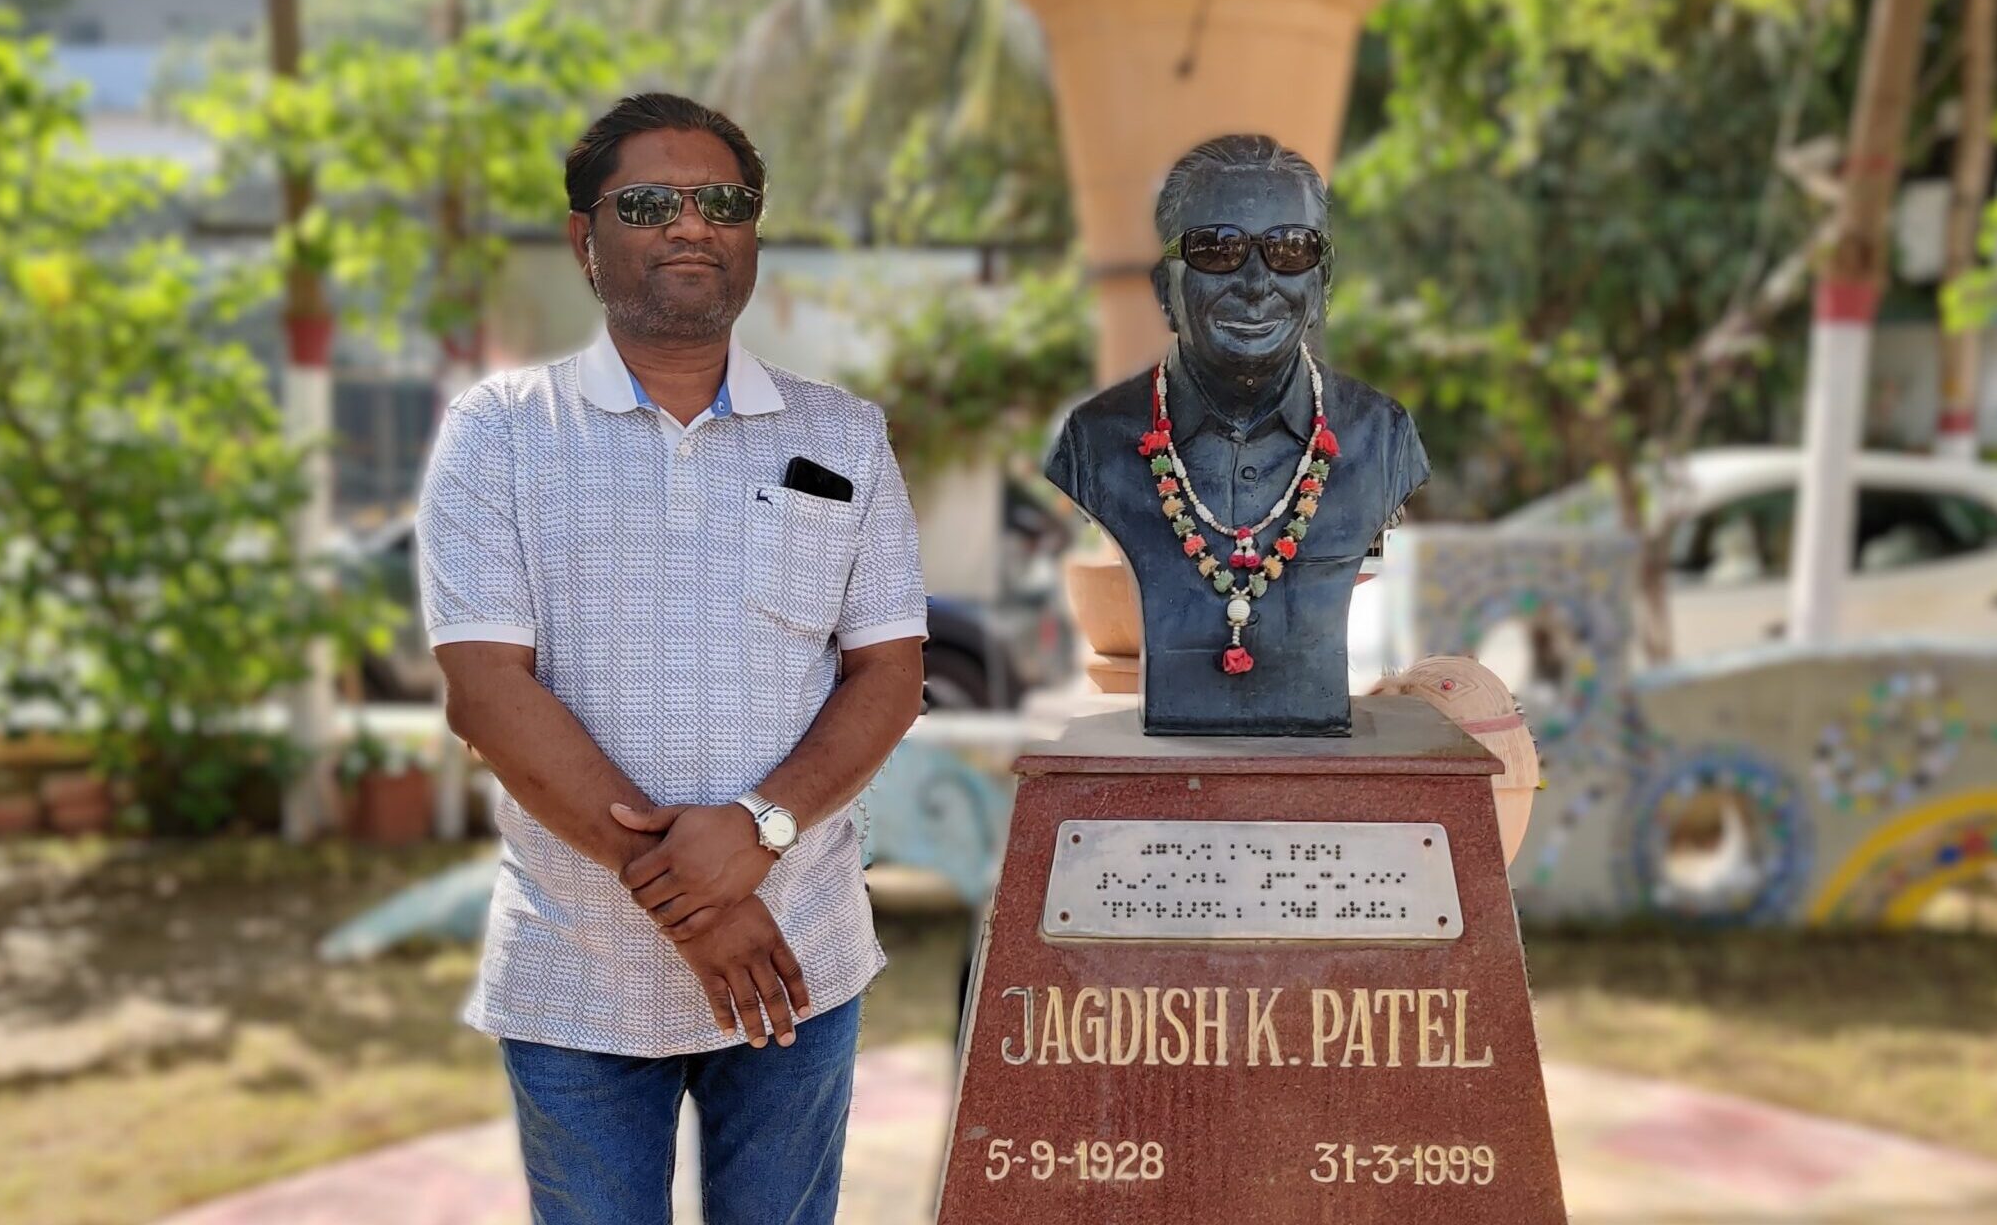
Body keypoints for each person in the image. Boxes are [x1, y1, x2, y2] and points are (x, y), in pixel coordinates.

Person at [415, 92, 926, 1225]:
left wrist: (759, 829)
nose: (692, 224)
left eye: (723, 202)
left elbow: (889, 674)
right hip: (578, 967)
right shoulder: (502, 431)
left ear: (752, 233)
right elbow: (487, 689)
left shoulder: (844, 434)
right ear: (583, 238)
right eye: (650, 202)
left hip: (797, 948)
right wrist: (699, 905)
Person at [1044, 134, 1427, 736]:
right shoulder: (1093, 443)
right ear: (1164, 290)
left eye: (1290, 249)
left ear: (1322, 285)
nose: (1255, 282)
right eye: (1217, 249)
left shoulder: (1382, 438)